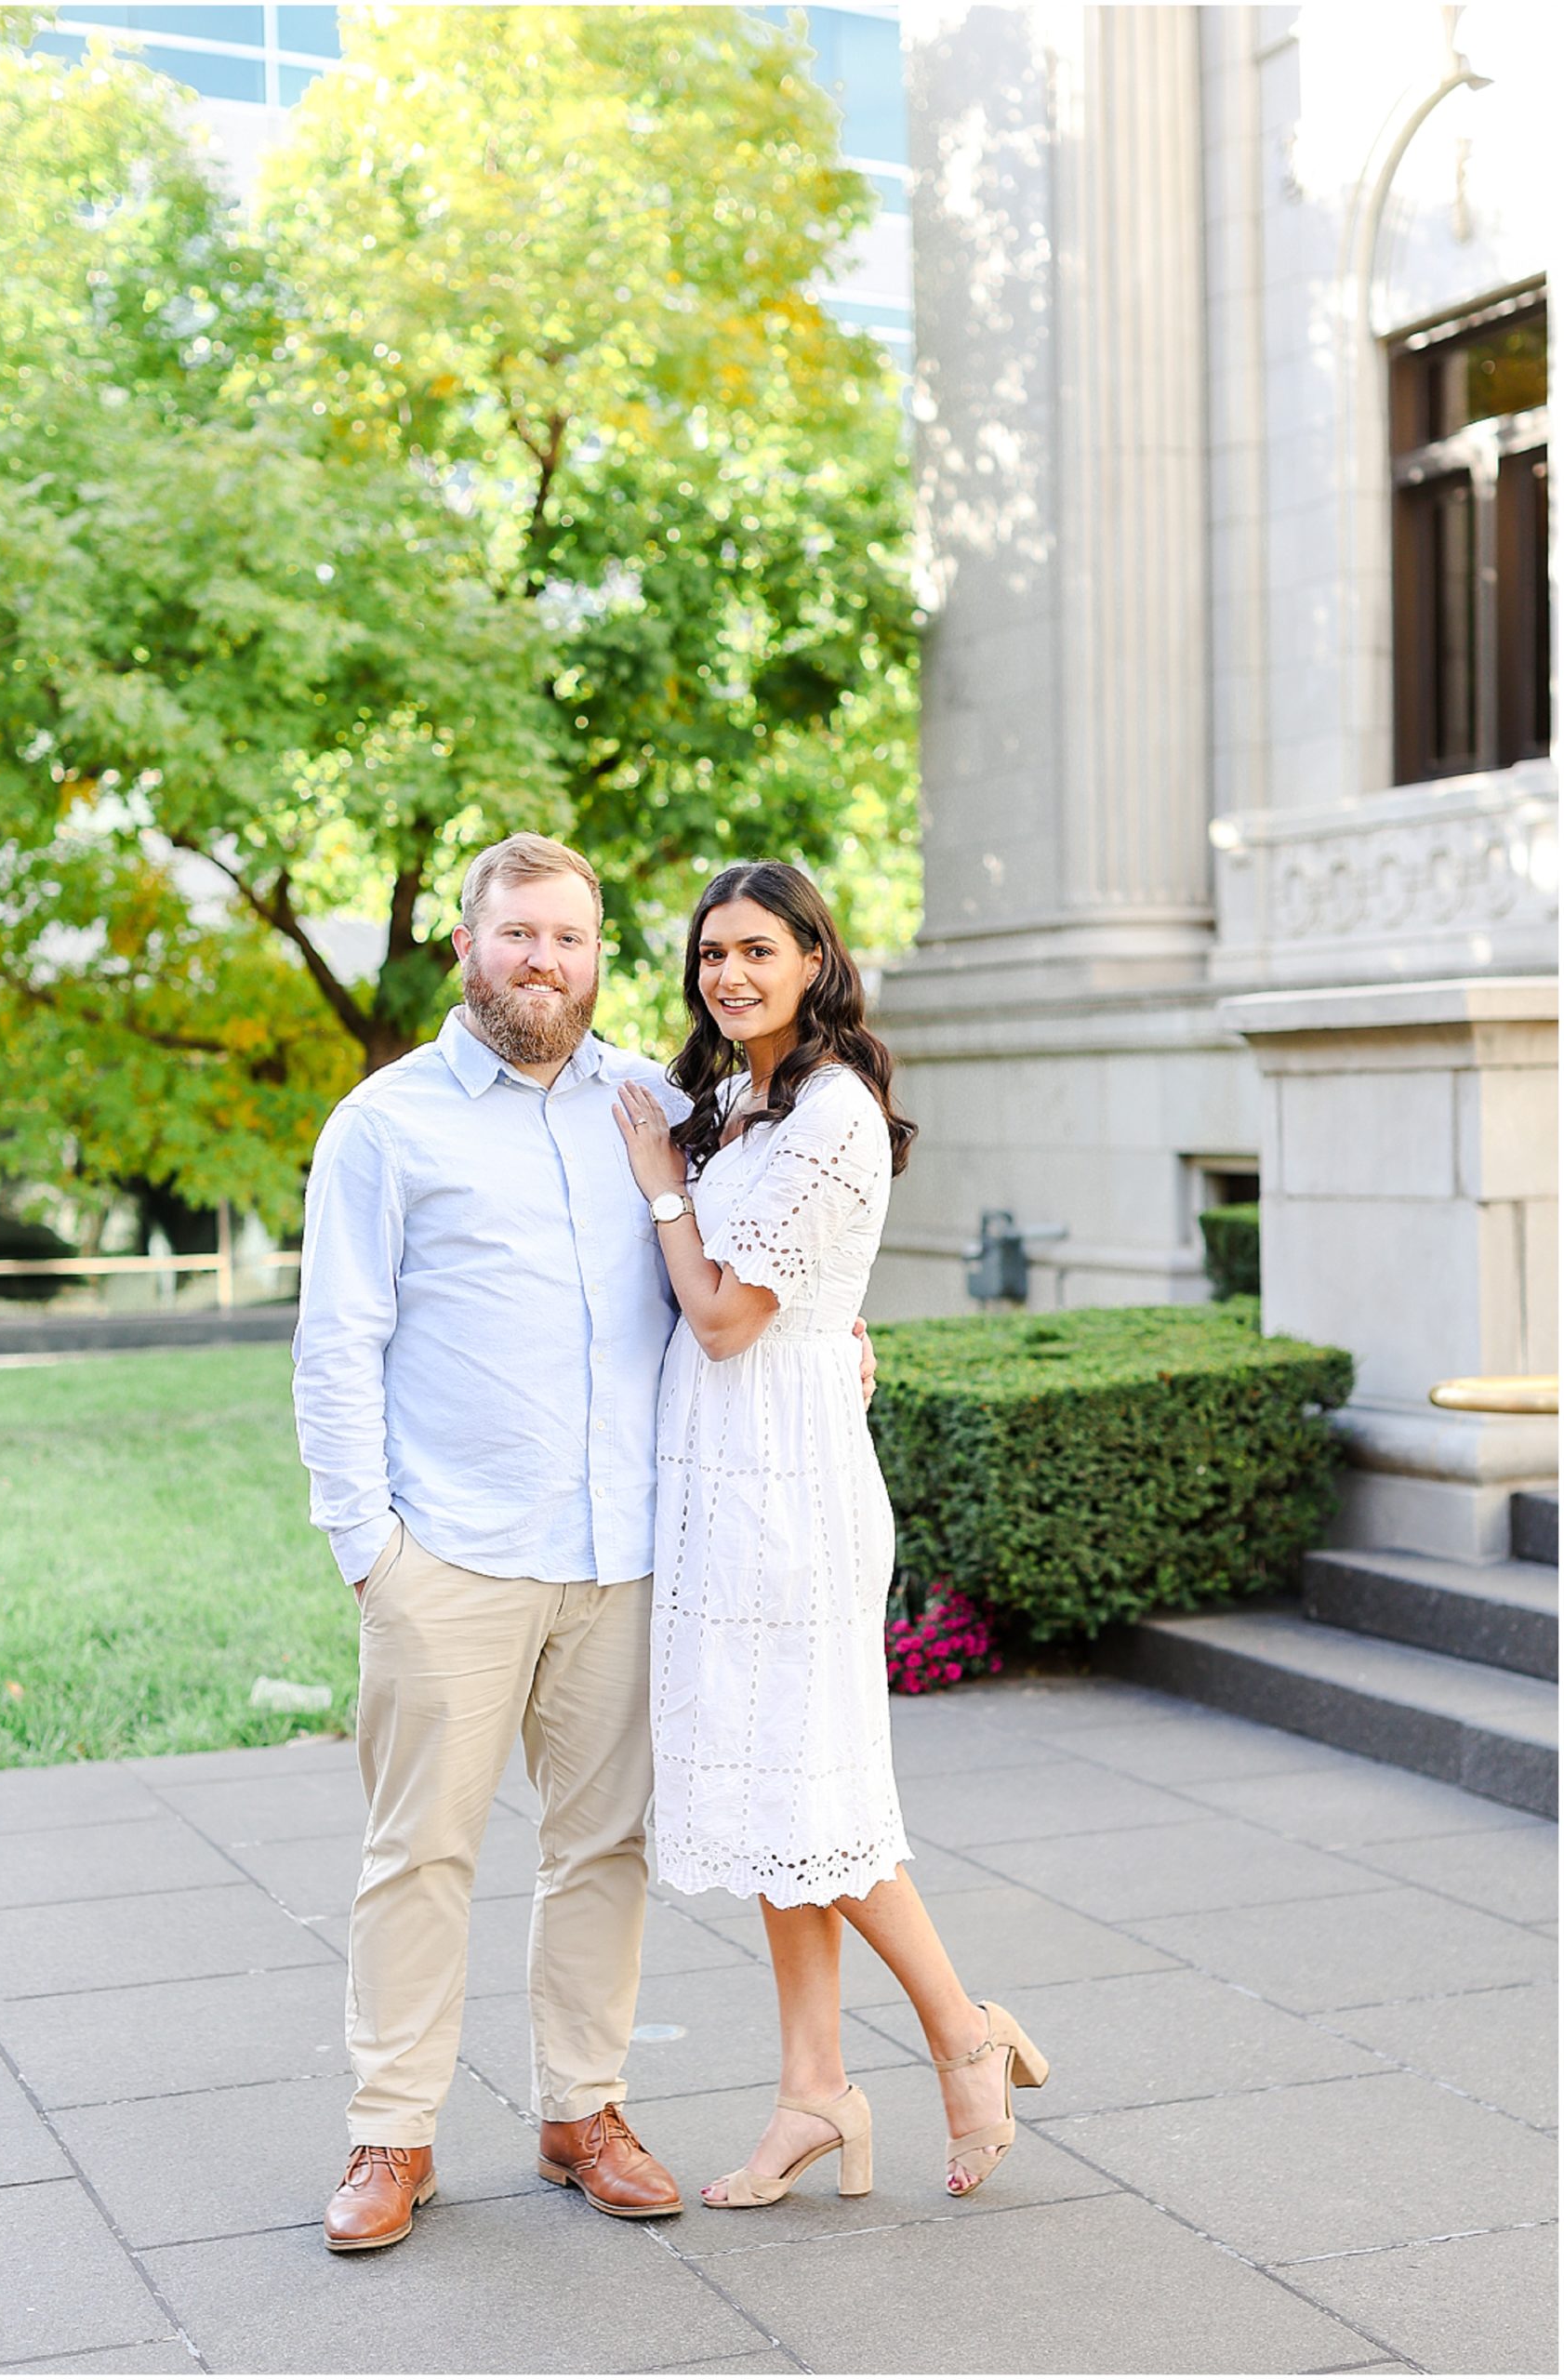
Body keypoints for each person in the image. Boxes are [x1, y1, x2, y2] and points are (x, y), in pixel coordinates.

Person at [292, 831, 876, 2253]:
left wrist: (841, 1334)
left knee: (601, 1849)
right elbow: (336, 1343)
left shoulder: (658, 1101)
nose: (543, 961)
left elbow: (746, 1267)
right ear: (468, 949)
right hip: (454, 1557)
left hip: (626, 1554)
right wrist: (369, 1544)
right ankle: (392, 2134)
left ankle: (582, 2112)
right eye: (517, 936)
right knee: (418, 1852)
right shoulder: (386, 1123)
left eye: (569, 936)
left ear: (600, 953)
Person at [613, 861, 1049, 2207]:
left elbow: (732, 1319)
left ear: (813, 957)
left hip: (788, 1484)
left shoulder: (833, 1111)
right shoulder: (740, 1103)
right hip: (716, 1475)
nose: (727, 975)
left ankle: (960, 2035)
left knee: (818, 1798)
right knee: (764, 1802)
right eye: (708, 956)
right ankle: (813, 2093)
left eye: (755, 949)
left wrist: (660, 1187)